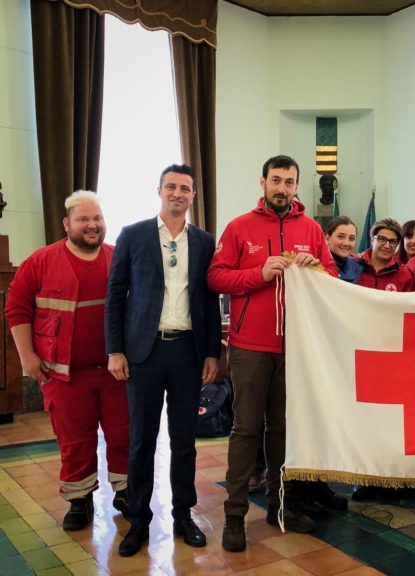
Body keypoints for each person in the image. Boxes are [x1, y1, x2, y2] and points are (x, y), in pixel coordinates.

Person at [208, 155, 337, 552]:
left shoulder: (311, 227)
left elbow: (333, 276)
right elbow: (215, 276)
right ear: (262, 182)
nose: (283, 188)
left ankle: (280, 506)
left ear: (297, 187)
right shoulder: (239, 227)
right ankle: (234, 515)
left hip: (297, 347)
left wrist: (318, 270)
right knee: (246, 430)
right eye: (276, 180)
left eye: (290, 182)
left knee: (283, 431)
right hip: (249, 347)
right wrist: (258, 274)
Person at [105, 164, 221, 557]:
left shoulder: (204, 241)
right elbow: (115, 294)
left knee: (185, 440)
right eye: (171, 186)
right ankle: (137, 520)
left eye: (184, 188)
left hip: (188, 352)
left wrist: (211, 352)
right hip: (144, 352)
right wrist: (115, 349)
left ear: (192, 195)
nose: (177, 193)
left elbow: (208, 299)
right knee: (141, 440)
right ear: (159, 190)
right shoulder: (133, 235)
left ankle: (183, 515)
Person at [5, 191, 129, 531]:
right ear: (67, 224)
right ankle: (79, 499)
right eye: (83, 219)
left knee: (123, 433)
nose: (92, 225)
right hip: (64, 374)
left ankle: (125, 491)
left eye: (97, 219)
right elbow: (16, 308)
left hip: (116, 372)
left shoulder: (119, 258)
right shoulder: (40, 262)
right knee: (75, 440)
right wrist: (27, 357)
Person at [356, 218, 414, 291]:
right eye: (382, 239)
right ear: (372, 240)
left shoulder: (404, 276)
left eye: (392, 241)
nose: (387, 246)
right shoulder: (354, 266)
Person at [325, 216, 362, 282]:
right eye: (340, 237)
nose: (346, 243)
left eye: (351, 238)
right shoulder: (317, 264)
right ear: (327, 238)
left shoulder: (358, 265)